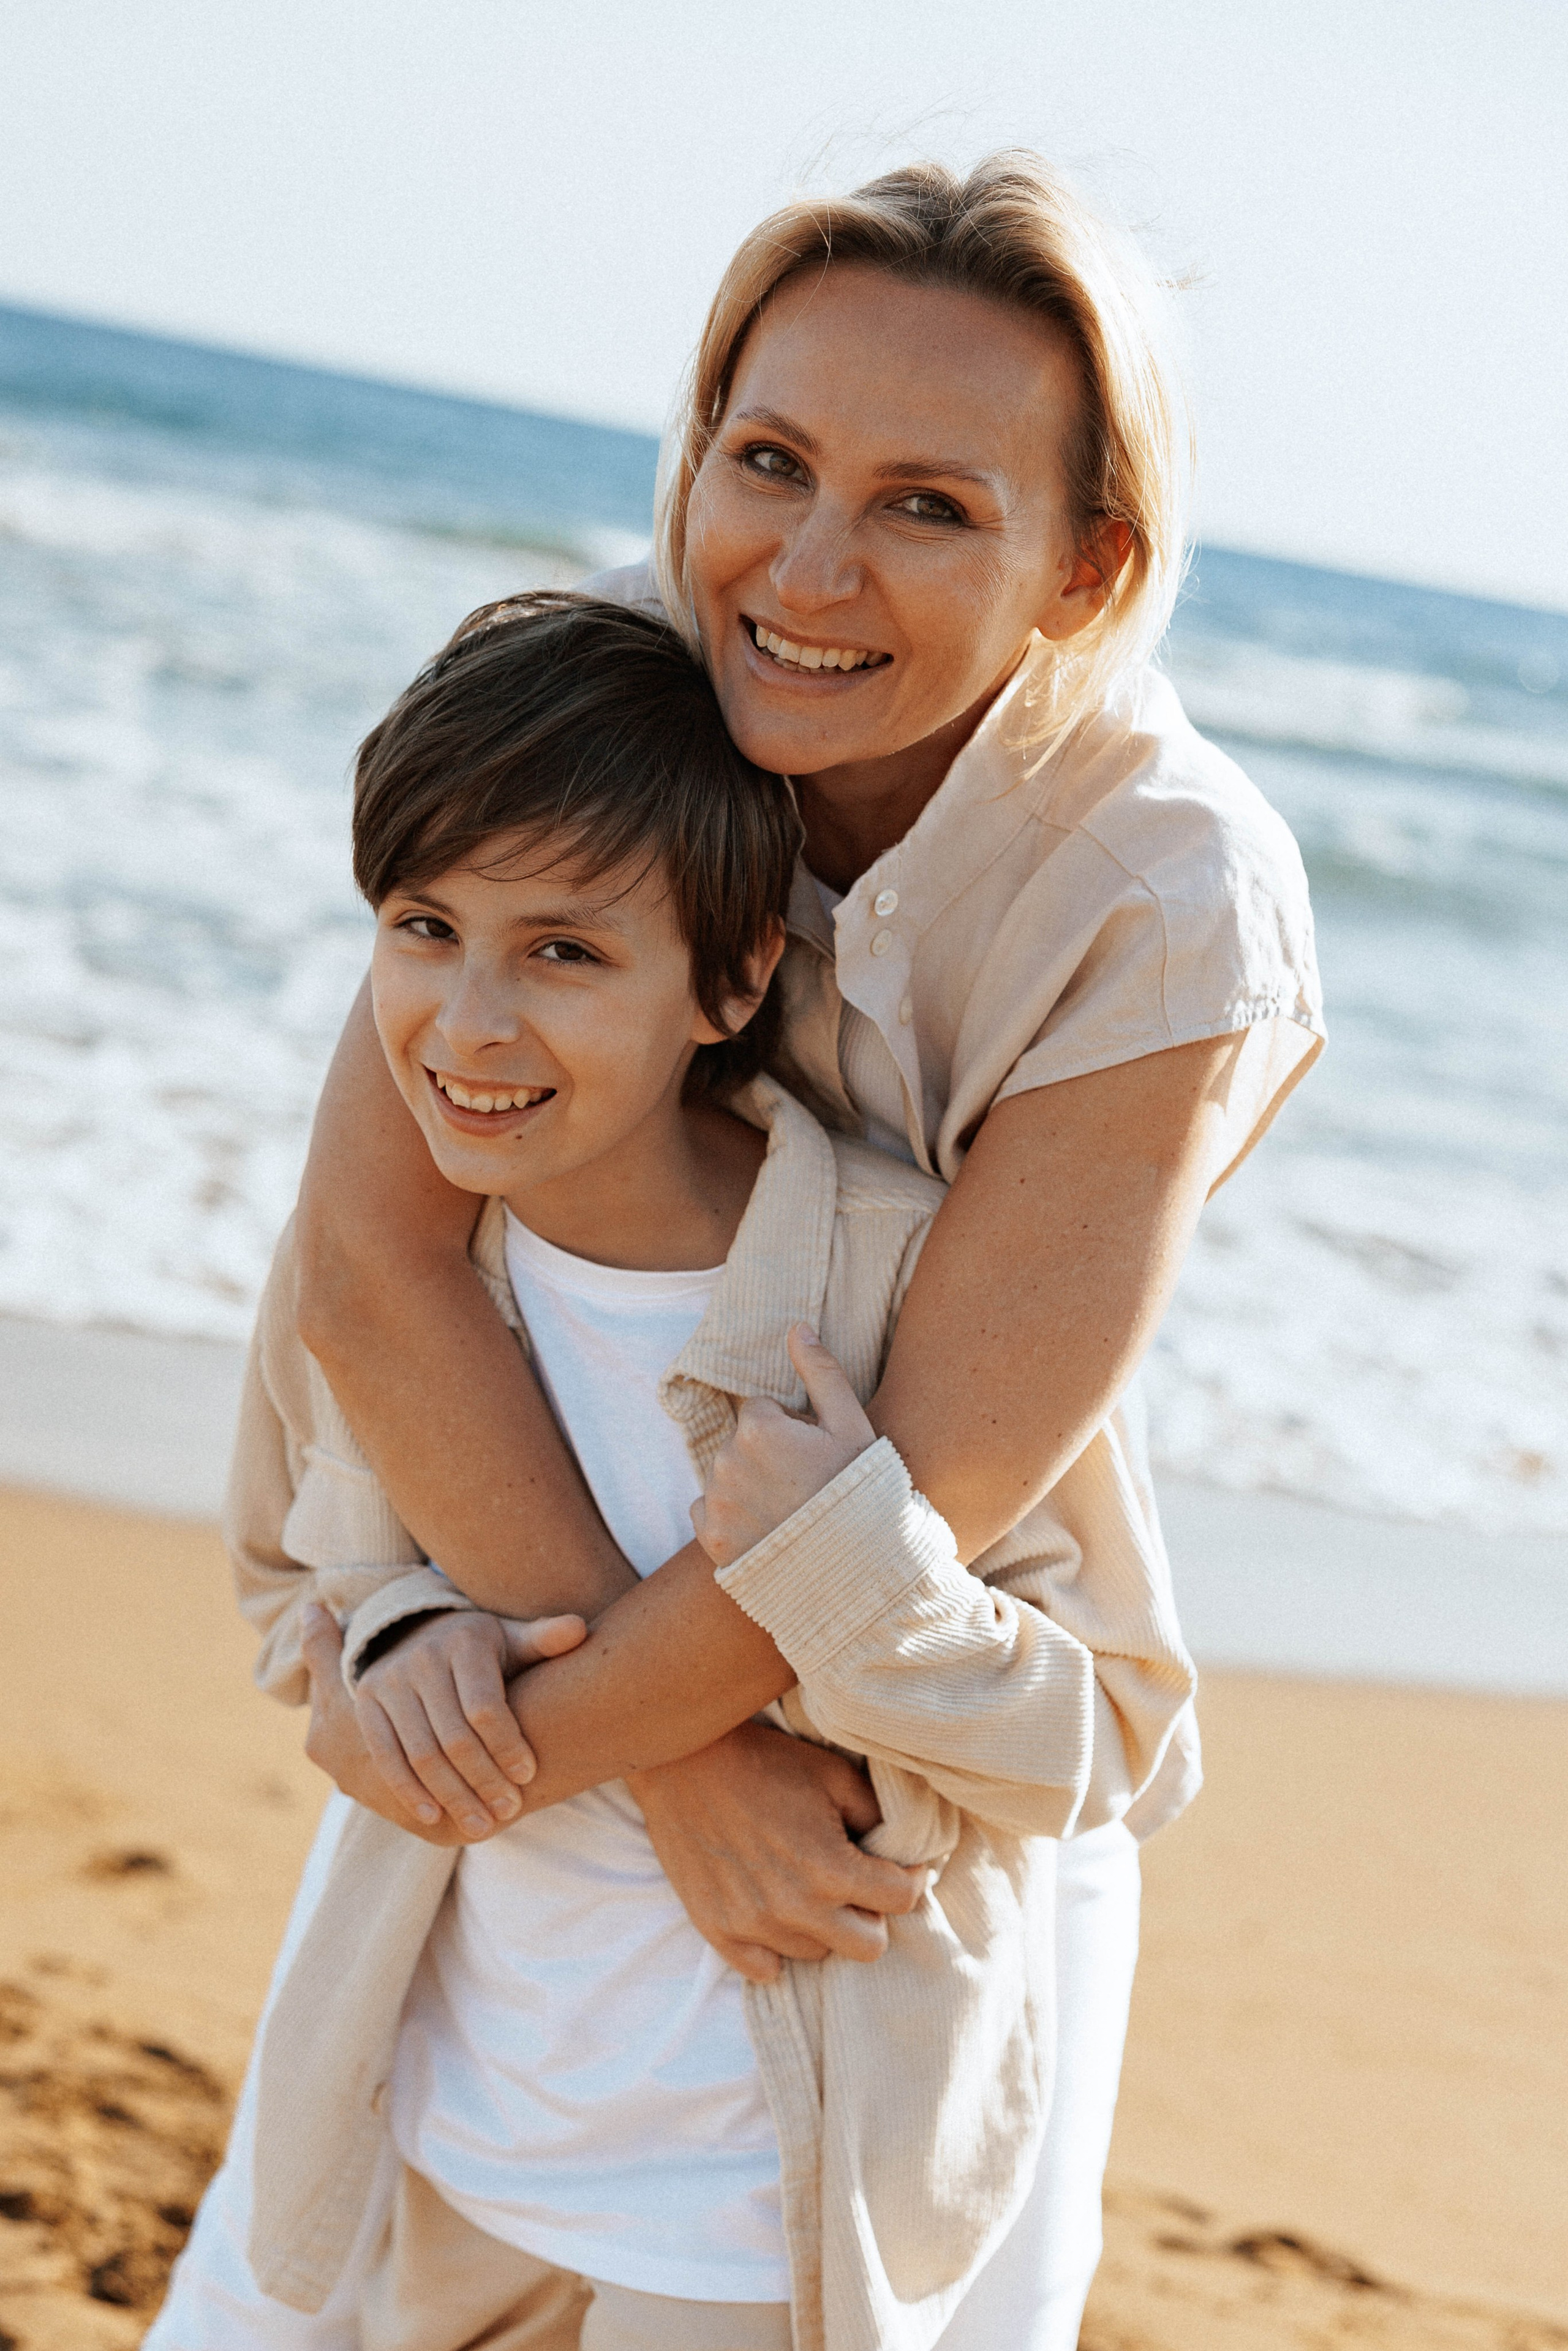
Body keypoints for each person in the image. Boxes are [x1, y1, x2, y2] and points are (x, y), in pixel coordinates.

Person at [281, 153, 1325, 2344]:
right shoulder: (617, 683)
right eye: (768, 462)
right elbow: (376, 1260)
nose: (809, 569)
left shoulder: (1166, 894)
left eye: (929, 506)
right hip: (558, 1636)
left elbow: (910, 1496)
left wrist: (572, 1749)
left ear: (1086, 564)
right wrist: (667, 1769)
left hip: (880, 1771)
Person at [149, 591, 1199, 2351]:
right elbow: (292, 1599)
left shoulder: (900, 1290)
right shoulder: (404, 1273)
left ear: (733, 978)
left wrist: (859, 1575)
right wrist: (400, 1644)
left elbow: (1114, 1737)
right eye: (424, 929)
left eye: (566, 952)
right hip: (457, 2121)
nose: (470, 1024)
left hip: (747, 2198)